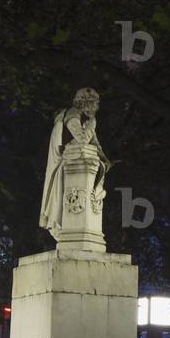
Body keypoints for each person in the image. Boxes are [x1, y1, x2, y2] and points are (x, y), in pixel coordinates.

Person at [39, 88, 112, 239]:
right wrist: (92, 124)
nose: (97, 107)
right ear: (87, 102)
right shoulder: (72, 115)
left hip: (81, 165)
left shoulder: (85, 118)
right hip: (66, 166)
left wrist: (105, 159)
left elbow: (95, 143)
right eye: (95, 103)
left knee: (99, 168)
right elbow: (83, 139)